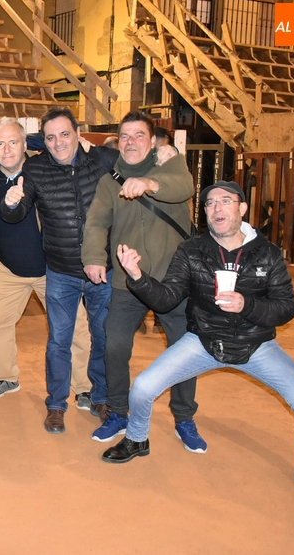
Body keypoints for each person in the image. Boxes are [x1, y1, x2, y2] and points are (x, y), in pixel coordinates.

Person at [101, 181, 294, 504]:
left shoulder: (267, 253)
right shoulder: (192, 250)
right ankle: (137, 439)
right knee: (142, 387)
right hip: (204, 340)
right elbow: (167, 298)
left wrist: (247, 305)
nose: (217, 209)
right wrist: (137, 276)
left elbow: (287, 306)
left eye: (226, 201)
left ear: (242, 208)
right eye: (210, 204)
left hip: (256, 345)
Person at [81, 112, 205, 451]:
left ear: (152, 141)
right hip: (128, 281)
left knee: (184, 350)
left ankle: (184, 418)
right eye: (124, 136)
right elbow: (95, 223)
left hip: (174, 281)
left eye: (139, 135)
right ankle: (119, 412)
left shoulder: (170, 165)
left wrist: (150, 183)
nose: (131, 142)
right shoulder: (110, 181)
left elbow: (185, 187)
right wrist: (93, 258)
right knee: (115, 345)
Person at [0, 108, 119, 434]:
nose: (58, 142)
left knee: (103, 338)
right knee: (59, 342)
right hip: (61, 272)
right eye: (50, 137)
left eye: (64, 134)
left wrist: (163, 152)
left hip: (101, 271)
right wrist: (11, 204)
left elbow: (136, 166)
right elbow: (19, 210)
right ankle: (55, 404)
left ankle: (101, 397)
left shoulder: (104, 161)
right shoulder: (35, 168)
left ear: (78, 134)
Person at [0, 117, 93, 413]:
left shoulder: (44, 169)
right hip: (8, 268)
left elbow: (66, 146)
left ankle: (84, 387)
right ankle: (6, 377)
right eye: (0, 143)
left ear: (25, 145)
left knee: (77, 329)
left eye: (14, 142)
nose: (7, 149)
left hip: (52, 270)